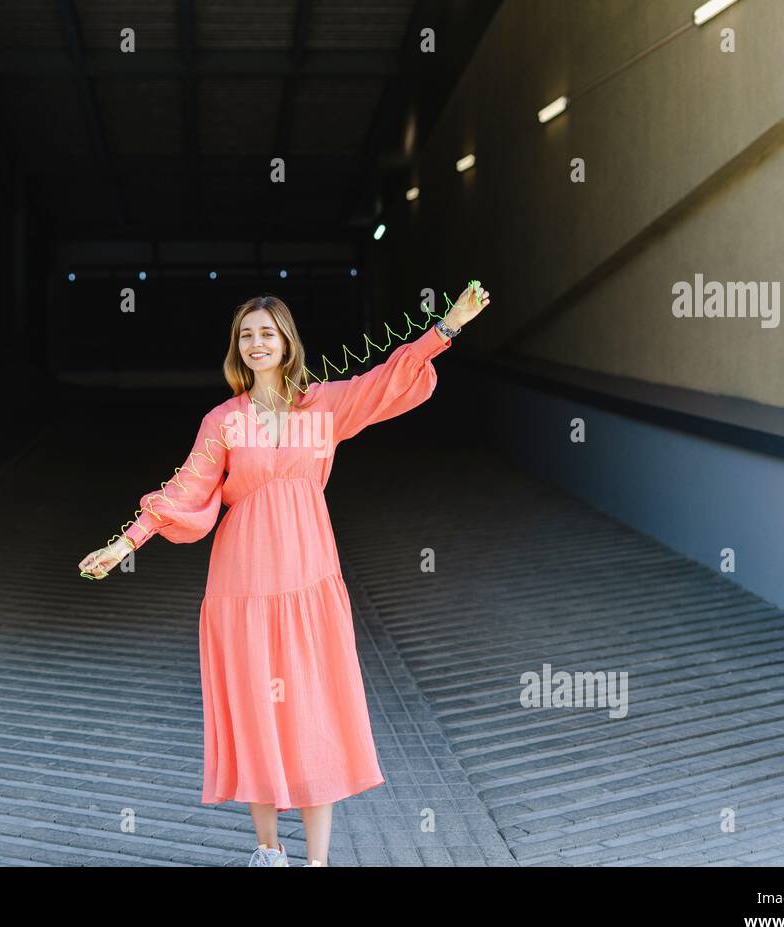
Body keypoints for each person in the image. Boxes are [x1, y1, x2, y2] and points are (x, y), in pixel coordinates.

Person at [79, 282, 490, 866]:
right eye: (245, 335)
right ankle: (269, 853)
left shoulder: (321, 407)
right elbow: (185, 490)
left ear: (287, 342)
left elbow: (385, 382)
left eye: (266, 333)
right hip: (241, 585)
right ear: (236, 348)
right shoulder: (223, 421)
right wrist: (126, 543)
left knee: (314, 708)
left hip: (309, 579)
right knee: (257, 713)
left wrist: (445, 329)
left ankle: (318, 861)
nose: (255, 343)